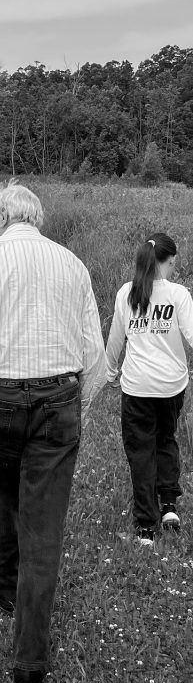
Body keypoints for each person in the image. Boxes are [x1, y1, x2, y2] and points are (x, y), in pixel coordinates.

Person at [0, 181, 107, 683]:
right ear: (34, 217)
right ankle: (29, 663)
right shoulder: (72, 264)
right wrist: (77, 405)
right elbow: (94, 353)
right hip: (58, 397)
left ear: (2, 216)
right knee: (44, 526)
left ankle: (5, 587)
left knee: (1, 490)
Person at [106, 232, 193, 543]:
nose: (173, 270)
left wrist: (110, 370)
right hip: (172, 385)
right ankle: (169, 505)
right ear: (165, 262)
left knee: (141, 452)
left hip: (137, 387)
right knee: (166, 439)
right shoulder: (179, 294)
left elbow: (117, 339)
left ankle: (146, 527)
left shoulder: (126, 294)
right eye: (172, 264)